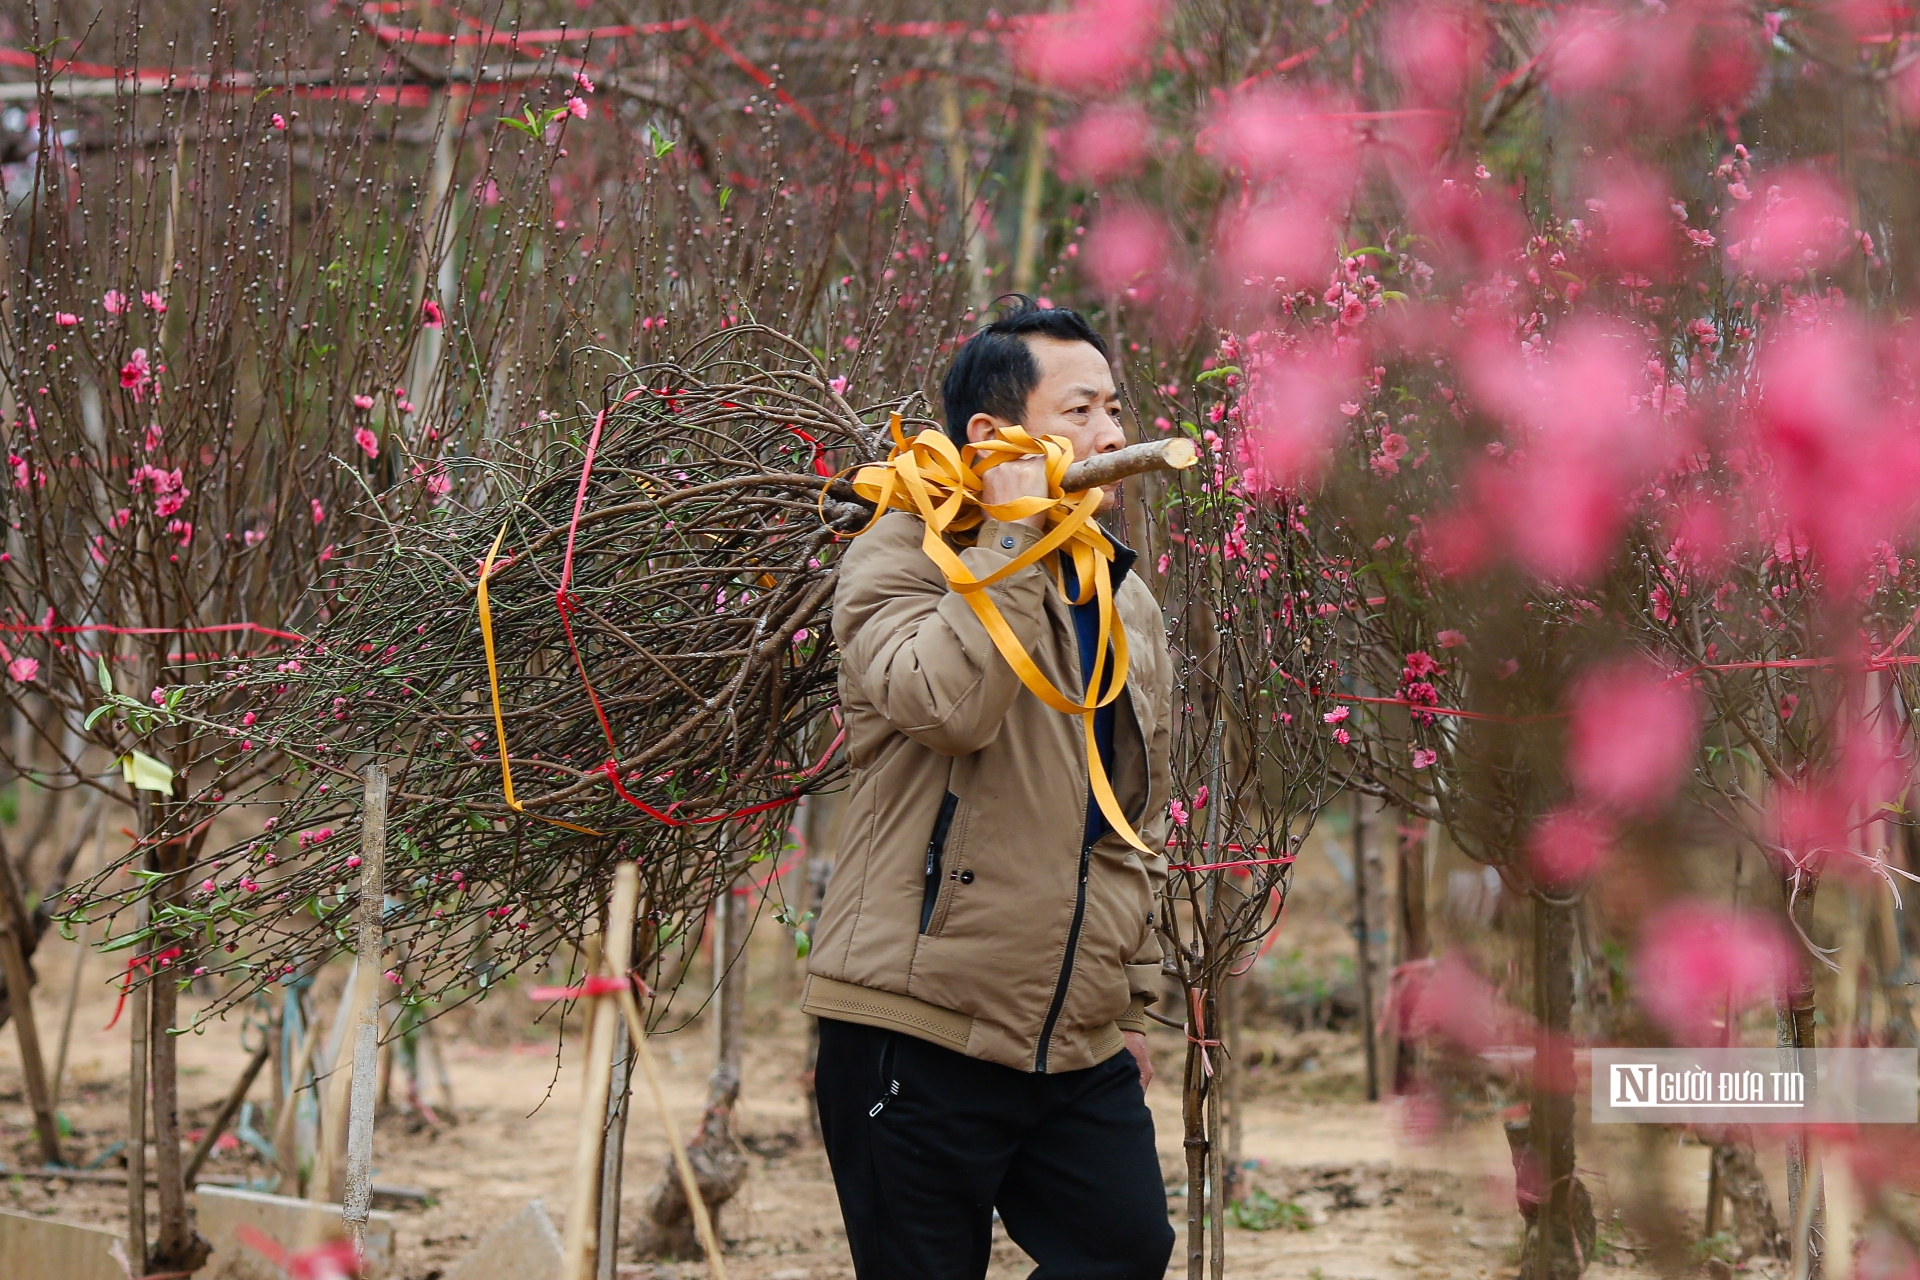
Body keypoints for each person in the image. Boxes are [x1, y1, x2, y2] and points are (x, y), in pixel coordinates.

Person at [803, 295, 1176, 1279]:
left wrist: (1124, 989)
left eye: (1114, 410)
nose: (1110, 435)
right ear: (993, 434)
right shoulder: (895, 555)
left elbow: (1130, 808)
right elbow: (946, 705)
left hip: (1074, 1041)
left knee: (1127, 1251)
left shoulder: (1118, 590)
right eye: (1081, 410)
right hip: (912, 1023)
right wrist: (1008, 538)